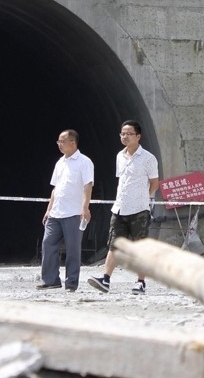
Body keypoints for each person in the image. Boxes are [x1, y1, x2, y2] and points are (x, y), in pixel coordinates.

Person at [88, 120, 159, 295]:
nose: (124, 136)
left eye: (128, 133)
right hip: (119, 207)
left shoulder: (148, 158)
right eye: (122, 134)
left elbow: (155, 183)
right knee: (114, 244)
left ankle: (141, 282)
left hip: (139, 209)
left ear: (138, 136)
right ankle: (105, 279)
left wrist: (144, 198)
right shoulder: (120, 156)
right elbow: (122, 181)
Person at [38, 129, 94, 292]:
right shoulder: (60, 162)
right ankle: (50, 280)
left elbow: (87, 185)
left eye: (62, 141)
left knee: (72, 249)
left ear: (73, 142)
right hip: (56, 212)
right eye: (58, 142)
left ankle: (71, 283)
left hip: (74, 213)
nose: (59, 145)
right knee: (48, 244)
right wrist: (48, 209)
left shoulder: (84, 162)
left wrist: (85, 208)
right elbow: (56, 188)